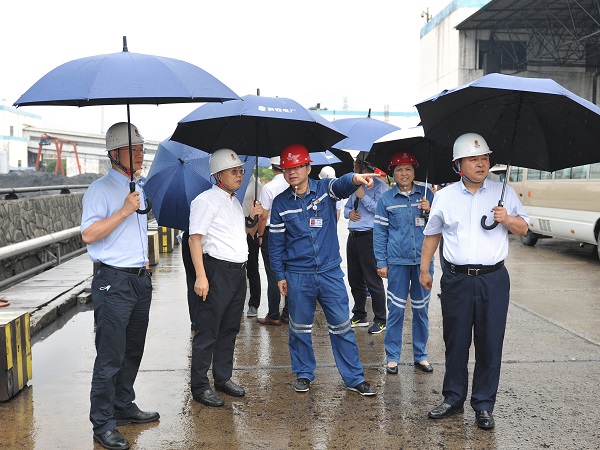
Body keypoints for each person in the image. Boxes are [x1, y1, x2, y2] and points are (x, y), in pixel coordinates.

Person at [419, 133, 528, 430]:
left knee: (490, 342)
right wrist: (425, 270)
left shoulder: (504, 192)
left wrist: (507, 219)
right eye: (473, 159)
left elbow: (523, 228)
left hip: (494, 280)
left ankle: (483, 404)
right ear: (458, 165)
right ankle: (453, 398)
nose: (481, 164)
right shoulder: (445, 196)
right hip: (456, 279)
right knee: (456, 341)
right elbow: (432, 235)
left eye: (484, 158)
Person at [269, 143, 377, 396]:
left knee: (342, 327)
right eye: (287, 169)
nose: (292, 172)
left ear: (308, 168)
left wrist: (355, 178)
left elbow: (341, 185)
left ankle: (354, 378)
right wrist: (279, 275)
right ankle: (304, 373)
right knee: (299, 328)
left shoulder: (324, 190)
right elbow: (275, 244)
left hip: (329, 272)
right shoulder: (280, 203)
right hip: (298, 274)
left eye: (298, 167)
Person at [81, 122, 159, 450]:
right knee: (110, 355)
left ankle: (123, 405)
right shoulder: (99, 190)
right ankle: (103, 423)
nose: (140, 153)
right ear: (115, 153)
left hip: (139, 279)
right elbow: (88, 234)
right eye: (133, 149)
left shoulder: (138, 186)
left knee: (132, 350)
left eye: (142, 148)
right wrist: (125, 210)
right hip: (112, 281)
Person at [188, 148, 263, 408]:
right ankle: (200, 386)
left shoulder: (233, 201)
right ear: (218, 175)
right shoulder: (205, 201)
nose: (239, 175)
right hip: (216, 271)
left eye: (240, 170)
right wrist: (201, 276)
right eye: (233, 171)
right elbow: (194, 239)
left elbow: (237, 233)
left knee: (230, 329)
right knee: (208, 331)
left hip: (237, 273)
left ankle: (222, 378)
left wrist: (252, 218)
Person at [373, 150, 434, 376]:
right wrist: (381, 262)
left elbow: (441, 226)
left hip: (423, 263)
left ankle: (421, 355)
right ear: (393, 173)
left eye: (408, 169)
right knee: (396, 311)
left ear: (415, 171)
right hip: (397, 262)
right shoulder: (386, 199)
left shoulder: (427, 195)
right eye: (399, 169)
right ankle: (392, 357)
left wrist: (431, 211)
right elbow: (380, 233)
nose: (404, 173)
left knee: (421, 310)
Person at [344, 157, 388, 334]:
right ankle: (359, 314)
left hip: (369, 236)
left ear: (365, 167)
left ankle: (381, 319)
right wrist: (349, 213)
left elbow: (380, 210)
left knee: (372, 280)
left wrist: (364, 198)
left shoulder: (380, 187)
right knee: (354, 278)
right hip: (353, 236)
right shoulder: (354, 185)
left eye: (357, 165)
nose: (355, 168)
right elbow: (346, 208)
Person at [256, 157, 290, 326]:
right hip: (290, 233)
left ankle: (274, 314)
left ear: (272, 167)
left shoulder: (268, 188)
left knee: (273, 274)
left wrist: (261, 235)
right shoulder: (292, 184)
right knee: (289, 272)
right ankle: (288, 313)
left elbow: (263, 216)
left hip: (272, 233)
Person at [242, 174, 263, 317]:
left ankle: (254, 304)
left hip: (251, 228)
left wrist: (254, 230)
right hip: (237, 227)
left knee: (252, 269)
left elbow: (261, 210)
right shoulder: (235, 183)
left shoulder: (256, 184)